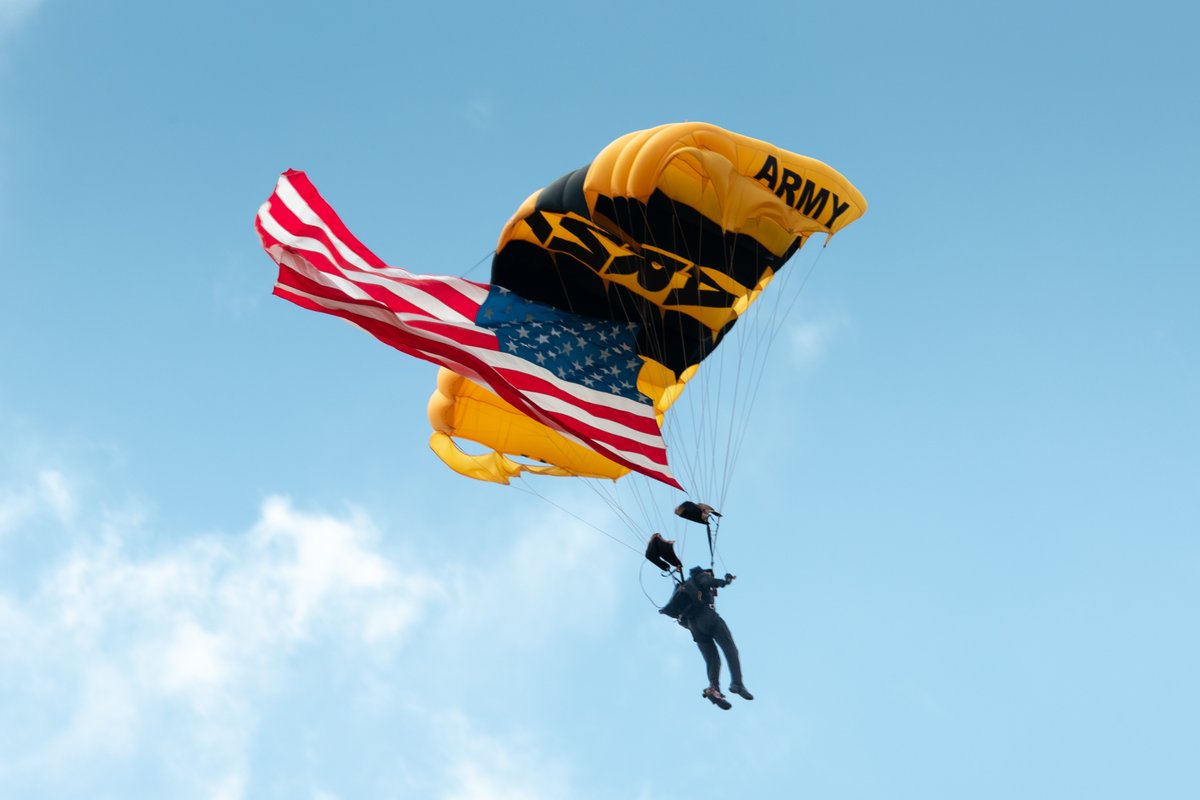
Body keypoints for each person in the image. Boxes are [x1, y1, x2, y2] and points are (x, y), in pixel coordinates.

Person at [663, 565, 753, 709]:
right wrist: (725, 582)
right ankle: (737, 683)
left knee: (713, 660)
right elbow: (709, 582)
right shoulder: (700, 577)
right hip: (708, 617)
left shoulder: (684, 587)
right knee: (729, 648)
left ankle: (714, 689)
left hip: (694, 627)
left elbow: (680, 617)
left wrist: (693, 626)